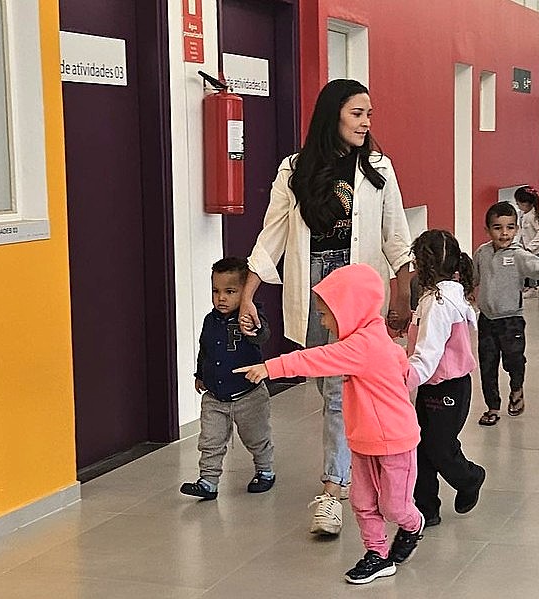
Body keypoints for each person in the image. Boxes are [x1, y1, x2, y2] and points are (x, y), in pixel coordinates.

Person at [239, 79, 414, 536]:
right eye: (357, 113)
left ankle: (333, 491)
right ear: (332, 114)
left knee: (339, 392)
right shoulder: (294, 169)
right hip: (315, 291)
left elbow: (396, 234)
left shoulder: (378, 168)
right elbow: (273, 233)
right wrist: (248, 292)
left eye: (369, 114)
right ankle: (364, 465)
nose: (366, 122)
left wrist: (402, 295)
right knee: (329, 386)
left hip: (355, 292)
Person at [236, 263, 424, 584]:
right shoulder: (370, 340)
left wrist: (270, 367)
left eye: (325, 314)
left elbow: (317, 358)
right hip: (362, 440)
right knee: (362, 502)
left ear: (350, 308)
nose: (322, 322)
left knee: (395, 507)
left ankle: (412, 525)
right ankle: (377, 554)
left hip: (395, 442)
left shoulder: (363, 345)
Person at [406, 230, 487, 527]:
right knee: (420, 445)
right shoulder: (440, 296)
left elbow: (428, 354)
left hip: (448, 386)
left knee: (439, 447)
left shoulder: (438, 303)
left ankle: (470, 477)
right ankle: (426, 508)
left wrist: (402, 380)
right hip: (433, 385)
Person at [474, 202, 539, 426]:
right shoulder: (482, 253)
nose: (504, 233)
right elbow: (473, 279)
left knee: (514, 360)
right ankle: (492, 407)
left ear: (517, 229)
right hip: (487, 320)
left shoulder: (519, 255)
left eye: (510, 227)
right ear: (487, 230)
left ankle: (516, 388)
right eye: (497, 228)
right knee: (487, 366)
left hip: (511, 320)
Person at [180, 257, 275, 500]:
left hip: (249, 395)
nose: (221, 298)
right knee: (210, 441)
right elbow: (205, 350)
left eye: (230, 292)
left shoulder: (251, 316)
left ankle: (265, 471)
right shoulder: (209, 320)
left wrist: (253, 325)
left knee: (256, 438)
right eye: (216, 291)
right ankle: (208, 481)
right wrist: (200, 375)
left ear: (245, 292)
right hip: (215, 398)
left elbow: (262, 335)